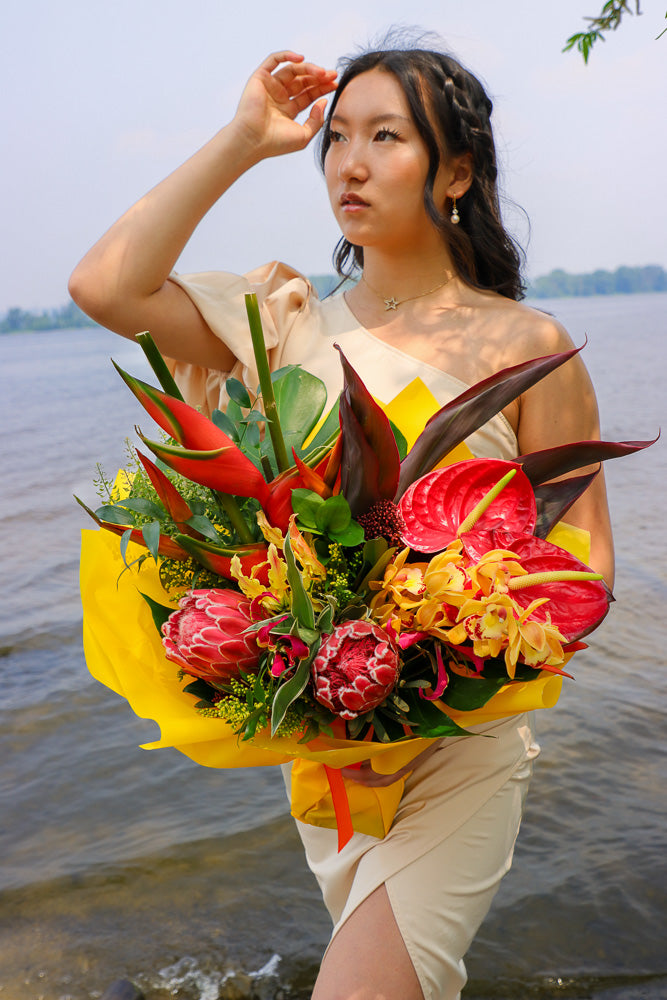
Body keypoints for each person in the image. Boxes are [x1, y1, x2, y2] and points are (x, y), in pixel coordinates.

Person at [70, 41, 614, 1000]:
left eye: (385, 136)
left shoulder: (531, 346)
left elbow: (586, 572)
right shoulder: (283, 323)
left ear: (454, 173)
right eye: (336, 138)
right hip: (329, 763)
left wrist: (434, 663)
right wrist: (243, 140)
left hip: (461, 747)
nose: (348, 163)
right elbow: (106, 287)